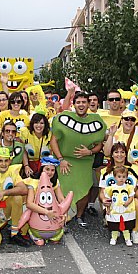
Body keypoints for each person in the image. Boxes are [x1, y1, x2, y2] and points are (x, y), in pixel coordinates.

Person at [50, 92, 106, 227]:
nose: (81, 105)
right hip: (65, 162)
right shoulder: (63, 118)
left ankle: (79, 216)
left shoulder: (96, 120)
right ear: (73, 104)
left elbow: (100, 144)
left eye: (84, 102)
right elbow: (54, 140)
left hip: (85, 162)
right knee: (63, 189)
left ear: (88, 104)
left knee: (84, 189)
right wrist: (60, 159)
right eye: (78, 102)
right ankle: (62, 216)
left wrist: (90, 151)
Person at [98, 143, 138, 244]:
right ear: (112, 155)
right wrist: (104, 200)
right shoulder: (105, 171)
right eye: (116, 152)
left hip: (128, 202)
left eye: (122, 152)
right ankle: (115, 227)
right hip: (113, 203)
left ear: (126, 154)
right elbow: (102, 192)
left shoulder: (136, 169)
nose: (119, 154)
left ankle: (134, 231)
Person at [0, 147, 29, 246]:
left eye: (6, 160)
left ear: (10, 161)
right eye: (0, 161)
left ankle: (14, 233)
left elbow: (24, 189)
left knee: (17, 197)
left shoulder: (13, 172)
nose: (3, 164)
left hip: (4, 210)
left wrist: (3, 193)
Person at [22, 158, 71, 245]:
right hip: (31, 209)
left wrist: (64, 214)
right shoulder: (33, 182)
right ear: (42, 169)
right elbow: (29, 204)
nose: (50, 172)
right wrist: (47, 212)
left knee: (67, 217)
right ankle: (33, 233)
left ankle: (53, 231)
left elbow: (61, 199)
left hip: (47, 208)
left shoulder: (55, 182)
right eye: (47, 169)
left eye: (52, 170)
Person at [104, 166, 136, 246]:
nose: (121, 179)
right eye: (119, 177)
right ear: (114, 177)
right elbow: (108, 199)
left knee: (126, 225)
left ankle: (127, 239)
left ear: (127, 177)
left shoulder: (129, 187)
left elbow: (131, 196)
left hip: (126, 209)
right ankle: (113, 238)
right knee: (115, 225)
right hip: (114, 209)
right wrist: (108, 209)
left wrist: (128, 202)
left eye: (124, 177)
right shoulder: (111, 188)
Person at [21, 111, 52, 177]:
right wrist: (26, 166)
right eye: (36, 123)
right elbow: (23, 151)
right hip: (28, 163)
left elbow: (51, 152)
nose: (39, 125)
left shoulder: (50, 135)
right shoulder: (25, 132)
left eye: (42, 123)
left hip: (44, 163)